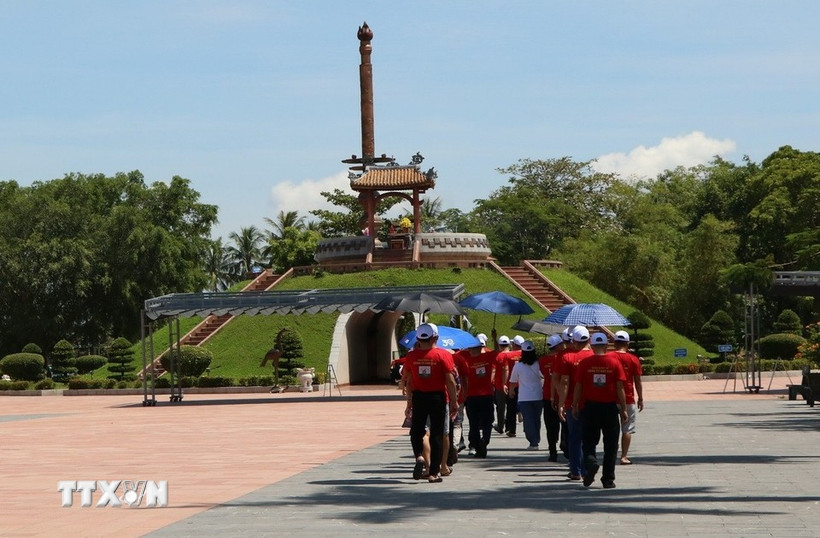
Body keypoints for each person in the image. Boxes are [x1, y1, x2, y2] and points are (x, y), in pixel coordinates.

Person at [402, 323, 459, 483]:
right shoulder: (444, 355)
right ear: (436, 337)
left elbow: (407, 379)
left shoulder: (411, 356)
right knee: (437, 435)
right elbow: (450, 381)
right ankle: (434, 473)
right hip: (438, 397)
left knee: (416, 431)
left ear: (418, 338)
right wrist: (454, 402)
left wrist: (408, 403)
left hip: (419, 397)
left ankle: (419, 456)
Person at [572, 332, 628, 489]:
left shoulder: (585, 363)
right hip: (610, 408)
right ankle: (608, 479)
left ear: (592, 344)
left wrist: (575, 404)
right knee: (611, 445)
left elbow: (578, 386)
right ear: (605, 345)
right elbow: (619, 387)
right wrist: (623, 408)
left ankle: (591, 463)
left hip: (590, 408)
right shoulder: (614, 363)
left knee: (589, 442)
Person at [555, 326, 594, 481]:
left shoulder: (567, 357)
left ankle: (576, 471)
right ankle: (588, 467)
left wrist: (561, 403)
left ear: (574, 341)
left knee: (575, 438)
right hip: (592, 402)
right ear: (589, 340)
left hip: (573, 403)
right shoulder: (594, 356)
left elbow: (564, 382)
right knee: (589, 438)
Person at [460, 340, 499, 458]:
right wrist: (495, 338)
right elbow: (497, 351)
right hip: (485, 395)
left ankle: (478, 446)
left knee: (474, 423)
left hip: (472, 397)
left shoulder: (465, 360)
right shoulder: (487, 357)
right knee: (488, 421)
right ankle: (484, 441)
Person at [612, 330, 644, 465]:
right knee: (627, 428)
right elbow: (638, 381)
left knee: (611, 429)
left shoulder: (608, 357)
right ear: (628, 343)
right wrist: (641, 398)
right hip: (628, 397)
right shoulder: (633, 359)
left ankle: (611, 453)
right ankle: (624, 456)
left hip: (610, 398)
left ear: (614, 343)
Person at [508, 340, 544, 450]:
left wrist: (511, 391)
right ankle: (536, 439)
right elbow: (544, 376)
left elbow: (513, 381)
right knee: (536, 419)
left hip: (525, 397)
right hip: (538, 396)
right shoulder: (539, 364)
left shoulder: (518, 366)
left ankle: (533, 442)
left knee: (528, 420)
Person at [540, 334, 565, 461]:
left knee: (550, 426)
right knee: (565, 424)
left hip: (547, 396)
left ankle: (552, 451)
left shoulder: (542, 360)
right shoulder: (563, 358)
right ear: (558, 346)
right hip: (562, 395)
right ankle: (565, 445)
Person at [492, 335, 511, 434]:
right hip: (512, 385)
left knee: (501, 408)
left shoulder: (499, 356)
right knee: (510, 407)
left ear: (500, 345)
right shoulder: (513, 355)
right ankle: (510, 427)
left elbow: (494, 370)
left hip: (500, 385)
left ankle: (500, 426)